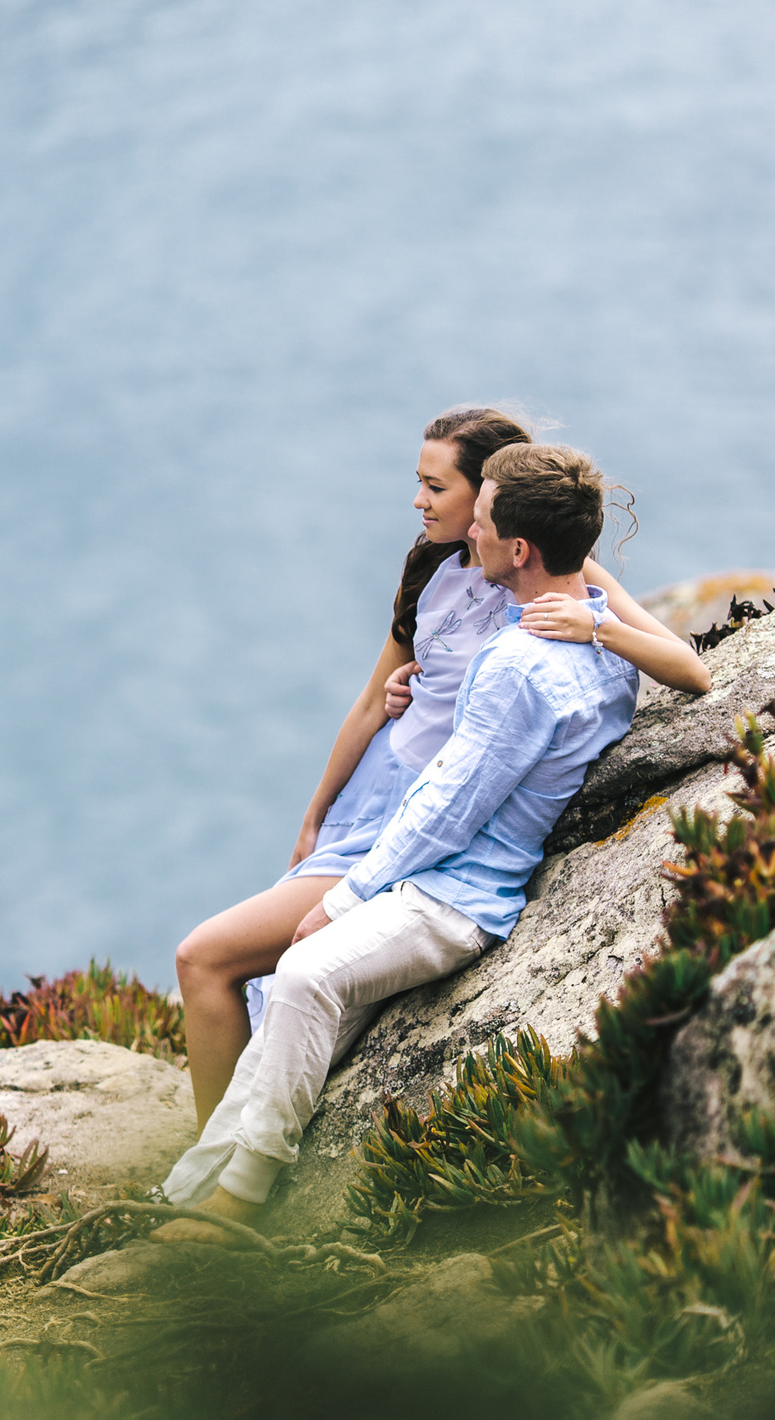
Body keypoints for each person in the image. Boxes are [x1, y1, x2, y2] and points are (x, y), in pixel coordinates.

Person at [174, 409, 709, 1129]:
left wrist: (599, 626)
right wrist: (314, 813)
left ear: (488, 499)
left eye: (436, 486)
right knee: (248, 966)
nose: (419, 502)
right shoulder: (431, 566)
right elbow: (372, 700)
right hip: (368, 800)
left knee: (208, 958)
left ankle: (204, 1175)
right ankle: (206, 1163)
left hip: (418, 823)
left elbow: (687, 668)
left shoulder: (547, 567)